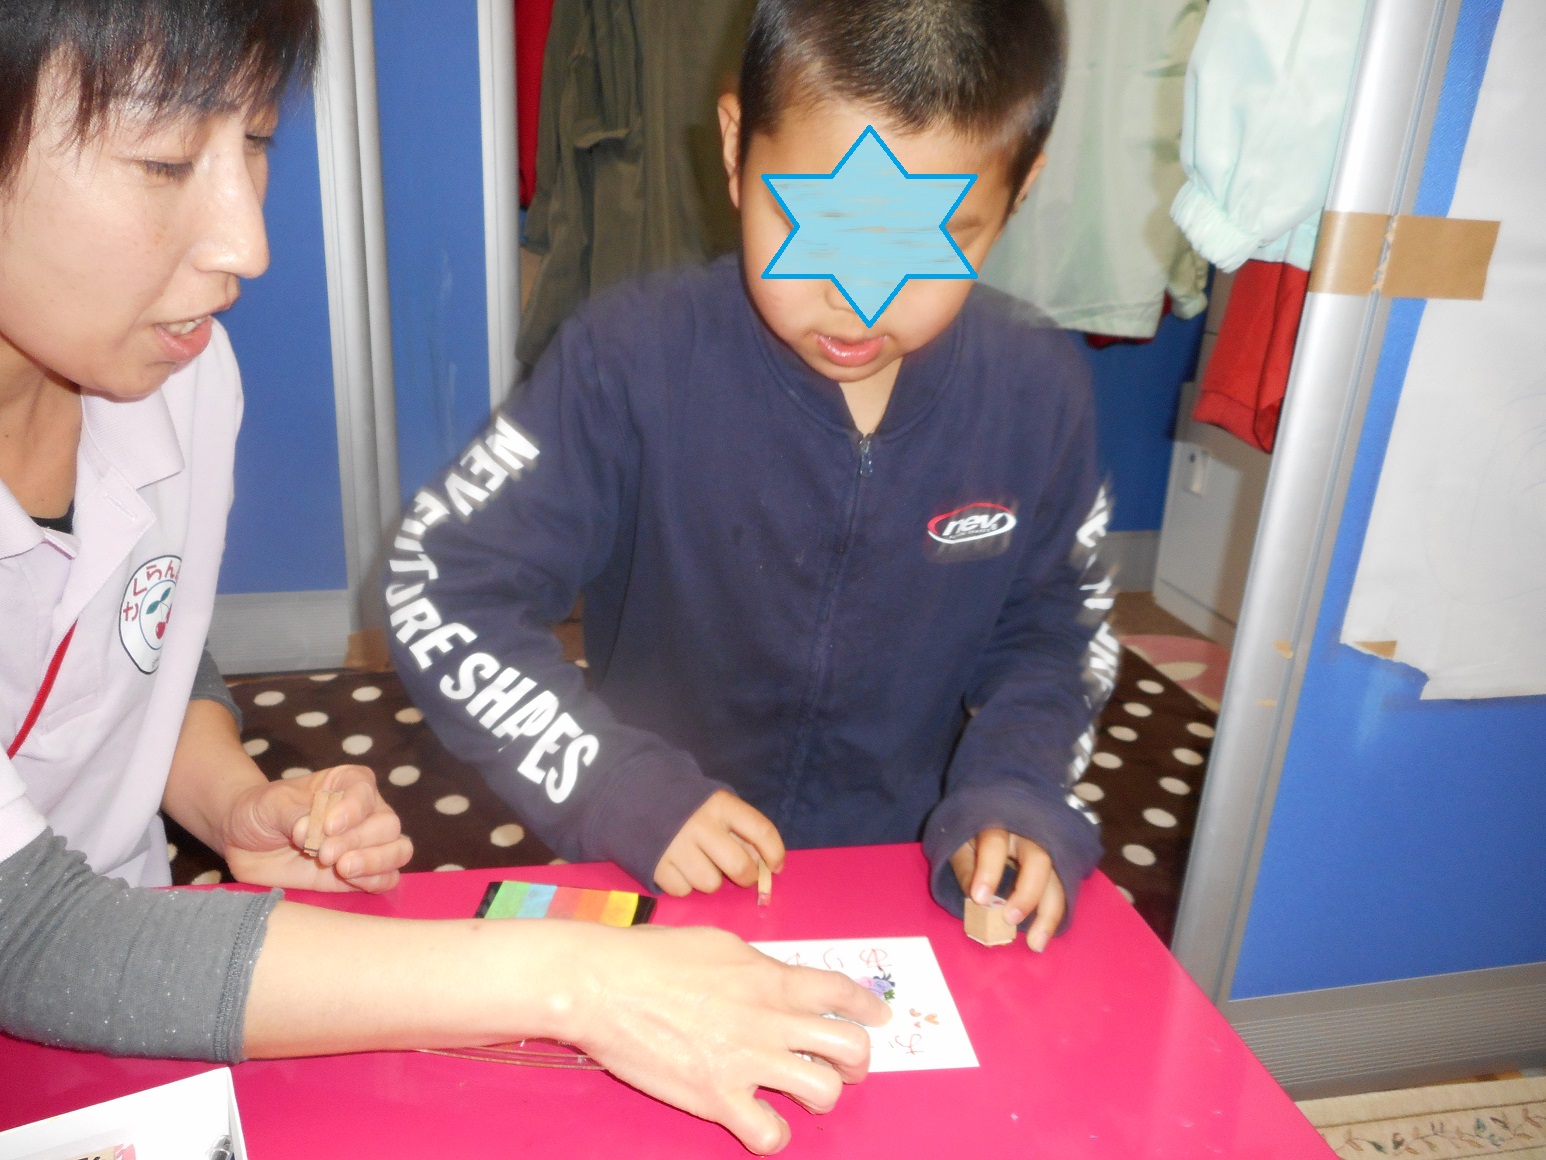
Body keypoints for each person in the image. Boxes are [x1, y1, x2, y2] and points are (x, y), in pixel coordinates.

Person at [0, 3, 886, 1153]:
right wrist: (577, 980)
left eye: (254, 140)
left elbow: (146, 637)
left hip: (137, 991)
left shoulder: (181, 378)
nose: (247, 243)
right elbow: (30, 933)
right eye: (165, 159)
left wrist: (228, 796)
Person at [389, 0, 1117, 954]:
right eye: (820, 227)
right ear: (735, 147)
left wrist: (1017, 789)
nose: (859, 298)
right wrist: (611, 784)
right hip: (652, 863)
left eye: (926, 243)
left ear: (1019, 193)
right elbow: (440, 585)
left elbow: (1057, 635)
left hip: (902, 884)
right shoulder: (627, 360)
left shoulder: (1038, 390)